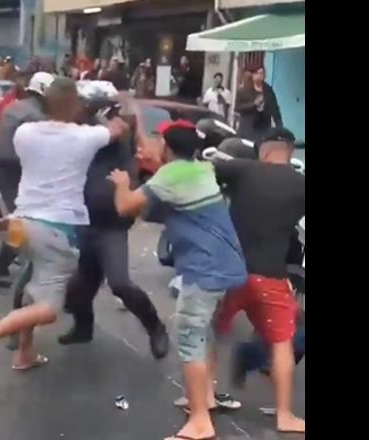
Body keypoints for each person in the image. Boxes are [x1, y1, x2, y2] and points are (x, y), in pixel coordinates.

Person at [0, 78, 130, 373]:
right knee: (49, 309)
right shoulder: (85, 136)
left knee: (34, 284)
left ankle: (25, 353)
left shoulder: (25, 132)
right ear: (76, 105)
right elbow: (120, 129)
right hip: (57, 229)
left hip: (22, 222)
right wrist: (120, 105)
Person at [107, 121, 247, 440]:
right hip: (226, 264)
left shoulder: (171, 175)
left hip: (203, 268)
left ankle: (199, 422)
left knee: (190, 339)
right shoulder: (201, 169)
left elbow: (125, 206)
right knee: (205, 332)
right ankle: (205, 398)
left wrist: (121, 183)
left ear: (168, 147)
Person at [210, 127, 305, 434]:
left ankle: (202, 395)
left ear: (263, 151)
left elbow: (198, 172)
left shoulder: (242, 170)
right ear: (290, 154)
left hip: (232, 272)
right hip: (272, 276)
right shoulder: (301, 184)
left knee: (210, 332)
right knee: (281, 344)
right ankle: (285, 416)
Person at [59, 98, 169, 359]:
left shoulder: (121, 141)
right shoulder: (85, 138)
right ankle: (83, 328)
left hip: (112, 227)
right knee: (77, 290)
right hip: (86, 222)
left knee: (120, 283)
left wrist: (117, 121)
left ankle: (156, 328)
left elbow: (127, 124)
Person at [0, 71, 55, 287]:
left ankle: (8, 266)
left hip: (1, 170)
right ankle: (2, 268)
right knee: (22, 223)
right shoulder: (37, 116)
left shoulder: (15, 106)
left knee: (21, 222)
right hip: (12, 172)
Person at [235, 66, 283, 142]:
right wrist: (253, 104)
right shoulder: (244, 90)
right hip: (248, 128)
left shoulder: (268, 90)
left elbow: (274, 108)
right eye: (258, 73)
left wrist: (279, 125)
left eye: (262, 73)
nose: (260, 75)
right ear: (253, 75)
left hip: (264, 127)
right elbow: (237, 108)